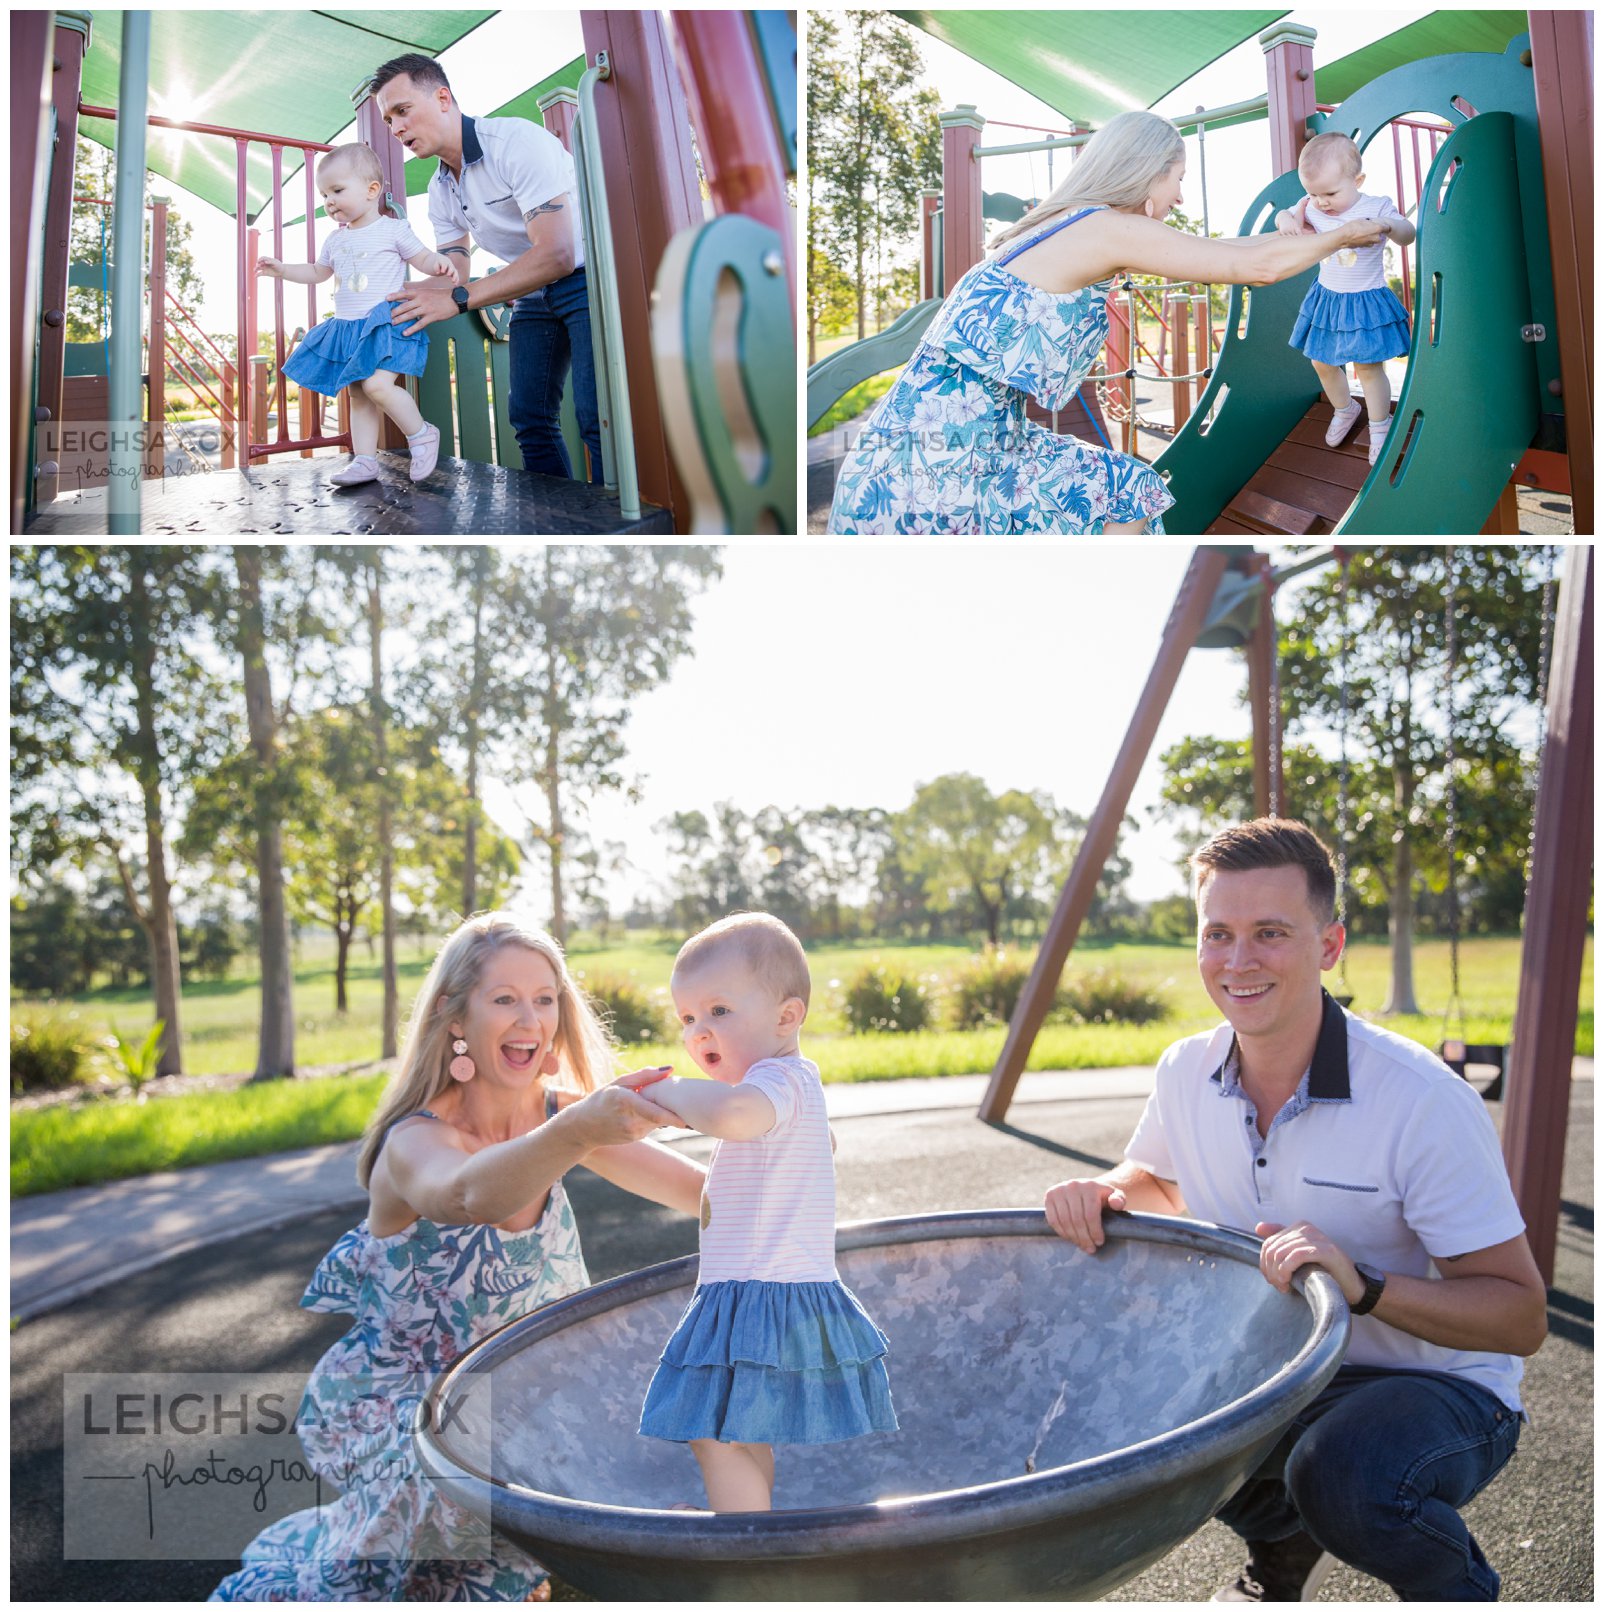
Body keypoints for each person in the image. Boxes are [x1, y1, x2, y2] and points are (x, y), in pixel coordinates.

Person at [1043, 819, 1546, 1602]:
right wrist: (1104, 1190)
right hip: (1283, 1371)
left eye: (1270, 933)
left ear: (1329, 946)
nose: (1238, 961)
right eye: (1219, 934)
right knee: (1145, 1407)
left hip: (1441, 1387)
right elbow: (1154, 1178)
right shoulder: (1187, 1068)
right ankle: (1281, 1546)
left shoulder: (1421, 1102)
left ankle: (1461, 1593)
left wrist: (1366, 1286)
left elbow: (1520, 1319)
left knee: (1343, 1475)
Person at [211, 912, 702, 1601]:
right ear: (455, 1017)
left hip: (529, 1396)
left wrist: (780, 1135)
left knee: (672, 1440)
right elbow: (467, 1194)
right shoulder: (414, 1142)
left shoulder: (559, 1118)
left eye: (544, 998)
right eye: (504, 999)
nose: (529, 1019)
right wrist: (580, 1129)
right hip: (418, 1418)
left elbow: (704, 1195)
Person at [828, 110, 1393, 536]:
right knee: (1126, 493)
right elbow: (1257, 269)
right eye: (1177, 177)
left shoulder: (1071, 222)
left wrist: (1308, 229)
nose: (1178, 193)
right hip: (935, 465)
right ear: (1149, 175)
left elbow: (1226, 249)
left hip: (933, 445)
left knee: (1128, 489)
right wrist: (1345, 233)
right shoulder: (1106, 228)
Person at [615, 913, 897, 1511]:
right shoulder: (785, 1089)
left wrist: (660, 1094)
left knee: (714, 1431)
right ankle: (750, 1526)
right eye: (687, 1018)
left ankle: (742, 1544)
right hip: (758, 1289)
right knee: (739, 1427)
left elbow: (733, 1115)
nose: (698, 1031)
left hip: (763, 1289)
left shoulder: (776, 1081)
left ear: (786, 1017)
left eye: (718, 1011)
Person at [369, 53, 603, 484]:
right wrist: (394, 296)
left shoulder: (514, 142)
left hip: (590, 279)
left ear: (443, 98)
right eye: (388, 120)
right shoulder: (440, 186)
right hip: (535, 290)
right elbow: (454, 266)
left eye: (402, 111)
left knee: (596, 418)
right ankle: (554, 519)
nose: (396, 127)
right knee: (529, 418)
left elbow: (558, 253)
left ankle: (620, 526)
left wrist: (459, 300)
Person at [261, 143, 454, 486]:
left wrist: (437, 263)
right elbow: (318, 273)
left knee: (378, 384)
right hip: (350, 327)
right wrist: (282, 270)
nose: (329, 201)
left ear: (371, 190)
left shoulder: (393, 229)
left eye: (337, 190)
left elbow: (420, 256)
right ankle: (365, 460)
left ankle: (421, 433)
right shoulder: (335, 241)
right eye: (324, 194)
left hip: (386, 322)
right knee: (359, 393)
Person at [1278, 132, 1417, 465]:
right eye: (1313, 193)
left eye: (1330, 193)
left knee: (1368, 367)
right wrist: (1286, 220)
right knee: (1321, 361)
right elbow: (1285, 213)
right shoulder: (1310, 206)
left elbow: (1408, 233)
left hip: (1365, 299)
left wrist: (1386, 224)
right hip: (1328, 299)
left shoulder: (1375, 206)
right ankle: (1345, 408)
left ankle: (1380, 425)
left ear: (1358, 180)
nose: (1321, 201)